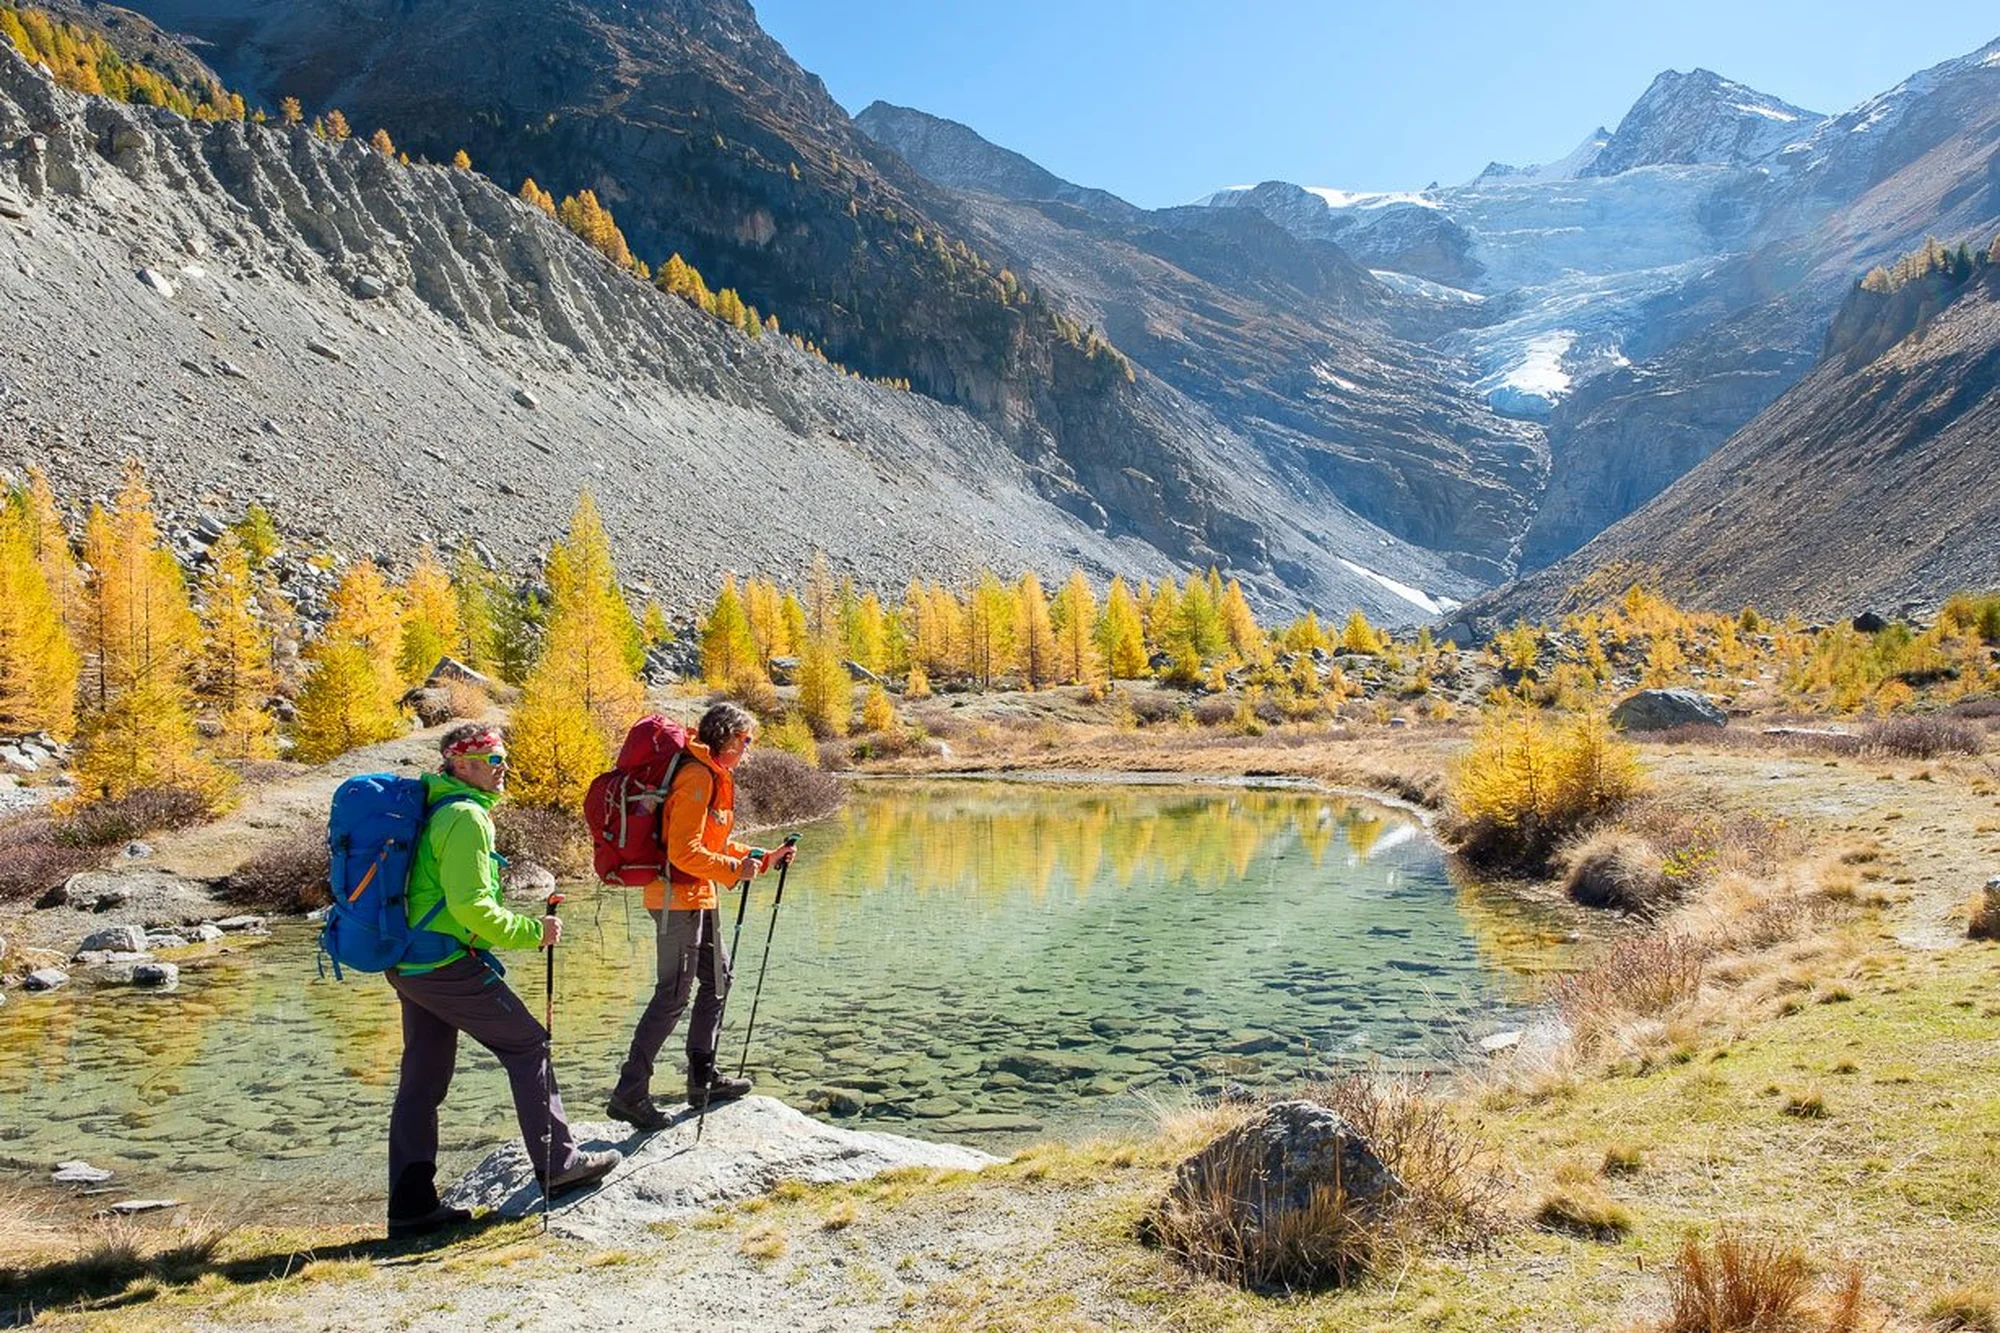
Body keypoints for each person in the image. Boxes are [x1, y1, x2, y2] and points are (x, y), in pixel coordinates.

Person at [384, 722, 619, 1237]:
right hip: (444, 962)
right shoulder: (466, 817)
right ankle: (558, 1164)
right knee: (528, 1045)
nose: (502, 768)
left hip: (408, 962)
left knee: (422, 1081)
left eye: (501, 758)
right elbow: (472, 909)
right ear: (460, 764)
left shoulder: (432, 807)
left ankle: (411, 1206)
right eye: (491, 760)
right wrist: (534, 931)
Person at [607, 702, 796, 1129]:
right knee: (673, 993)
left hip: (699, 895)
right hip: (675, 898)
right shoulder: (695, 777)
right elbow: (683, 852)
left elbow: (713, 844)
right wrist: (734, 870)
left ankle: (702, 1078)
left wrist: (764, 858)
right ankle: (629, 1092)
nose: (749, 748)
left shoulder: (712, 776)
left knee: (718, 981)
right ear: (728, 737)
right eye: (746, 740)